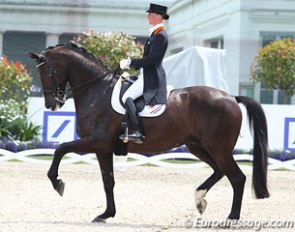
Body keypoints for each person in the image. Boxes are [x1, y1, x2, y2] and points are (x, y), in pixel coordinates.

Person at [119, 3, 169, 144]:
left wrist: (131, 62)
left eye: (151, 14)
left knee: (127, 97)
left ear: (159, 16)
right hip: (145, 74)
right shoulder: (154, 34)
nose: (148, 16)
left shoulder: (160, 35)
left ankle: (136, 131)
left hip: (151, 77)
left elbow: (151, 59)